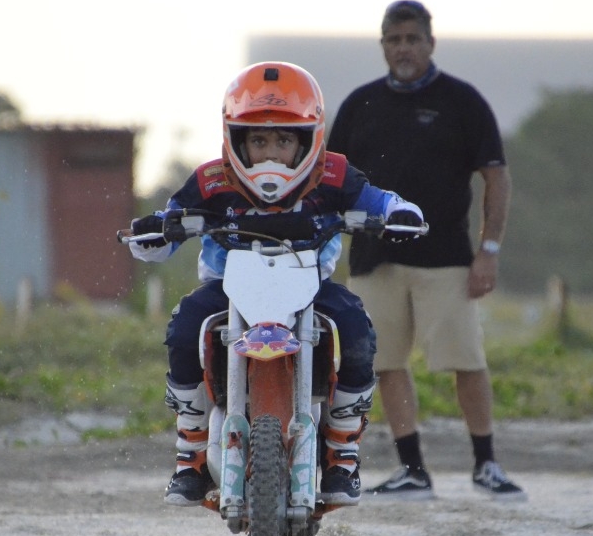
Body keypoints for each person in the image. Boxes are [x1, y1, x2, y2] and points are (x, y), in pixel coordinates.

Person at [127, 61, 424, 508]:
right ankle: (189, 457)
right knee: (186, 328)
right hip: (228, 289)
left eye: (283, 140)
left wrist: (400, 212)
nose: (270, 152)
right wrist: (154, 230)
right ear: (236, 139)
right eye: (258, 139)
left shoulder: (335, 174)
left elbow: (380, 199)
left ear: (308, 138)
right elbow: (167, 222)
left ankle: (342, 453)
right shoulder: (211, 180)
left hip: (310, 285)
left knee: (358, 330)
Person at [326, 0, 524, 500]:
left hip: (446, 259)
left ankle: (486, 465)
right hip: (374, 259)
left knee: (466, 360)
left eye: (413, 39)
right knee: (384, 363)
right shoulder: (360, 104)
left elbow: (496, 177)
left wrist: (490, 250)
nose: (404, 48)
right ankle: (412, 469)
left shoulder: (462, 101)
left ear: (431, 43)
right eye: (394, 40)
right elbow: (331, 178)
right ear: (383, 46)